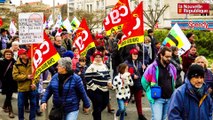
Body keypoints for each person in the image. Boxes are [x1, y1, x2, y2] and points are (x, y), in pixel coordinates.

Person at [142, 46, 177, 120]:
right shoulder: (152, 67)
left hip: (169, 98)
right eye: (167, 56)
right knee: (157, 118)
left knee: (164, 118)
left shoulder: (172, 68)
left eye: (170, 57)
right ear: (161, 55)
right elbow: (144, 82)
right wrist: (149, 91)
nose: (169, 59)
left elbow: (174, 80)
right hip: (157, 98)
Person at [12, 48, 39, 120]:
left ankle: (32, 118)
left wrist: (35, 83)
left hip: (32, 88)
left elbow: (37, 74)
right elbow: (15, 76)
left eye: (26, 53)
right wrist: (26, 77)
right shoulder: (16, 65)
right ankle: (21, 119)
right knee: (20, 105)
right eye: (24, 53)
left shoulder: (33, 62)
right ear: (20, 56)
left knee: (33, 104)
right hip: (22, 88)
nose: (26, 54)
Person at [85, 51, 112, 120]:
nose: (98, 58)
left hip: (105, 89)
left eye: (99, 57)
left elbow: (108, 76)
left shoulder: (104, 65)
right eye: (96, 57)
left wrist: (109, 82)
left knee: (105, 103)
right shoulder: (91, 67)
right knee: (98, 107)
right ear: (94, 58)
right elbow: (87, 78)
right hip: (95, 90)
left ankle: (95, 113)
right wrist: (94, 87)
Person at [124, 48, 147, 120]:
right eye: (134, 54)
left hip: (138, 85)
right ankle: (123, 110)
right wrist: (132, 75)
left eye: (136, 54)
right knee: (127, 99)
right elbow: (123, 73)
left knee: (138, 101)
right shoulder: (126, 63)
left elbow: (142, 74)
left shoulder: (139, 63)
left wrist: (144, 69)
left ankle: (140, 115)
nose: (135, 55)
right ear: (131, 54)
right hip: (129, 85)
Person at [0, 49, 17, 118]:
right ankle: (10, 111)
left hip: (13, 82)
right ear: (4, 55)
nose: (8, 56)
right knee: (9, 96)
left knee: (9, 95)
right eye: (7, 54)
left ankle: (4, 105)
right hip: (5, 82)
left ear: (12, 55)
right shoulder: (1, 62)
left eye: (9, 54)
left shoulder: (15, 62)